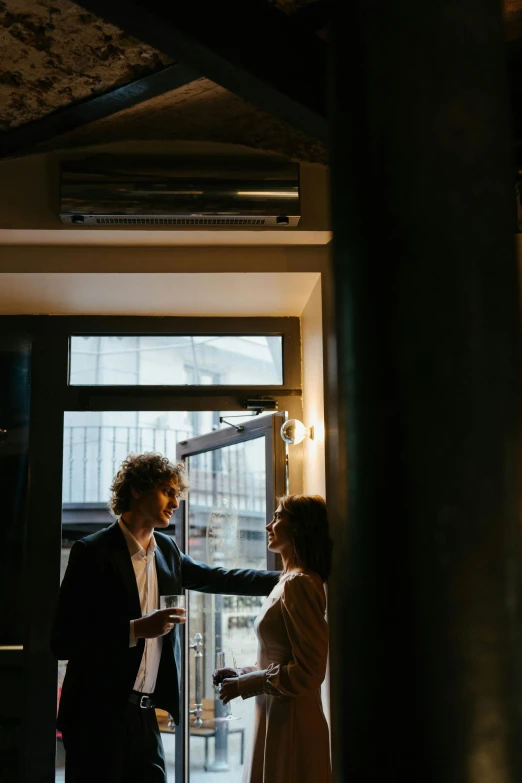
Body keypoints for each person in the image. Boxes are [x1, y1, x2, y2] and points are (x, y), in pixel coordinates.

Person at [51, 452, 279, 783]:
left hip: (146, 718)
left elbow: (221, 577)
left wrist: (288, 578)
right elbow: (63, 640)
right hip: (95, 717)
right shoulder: (92, 552)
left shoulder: (168, 551)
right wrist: (136, 629)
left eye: (177, 494)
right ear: (137, 490)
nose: (175, 502)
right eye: (167, 491)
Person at [214, 494, 333, 783]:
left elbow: (309, 671)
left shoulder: (299, 584)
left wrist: (247, 684)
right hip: (275, 713)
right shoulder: (286, 581)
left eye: (278, 517)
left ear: (298, 528)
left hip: (292, 720)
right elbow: (282, 658)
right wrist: (243, 672)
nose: (269, 525)